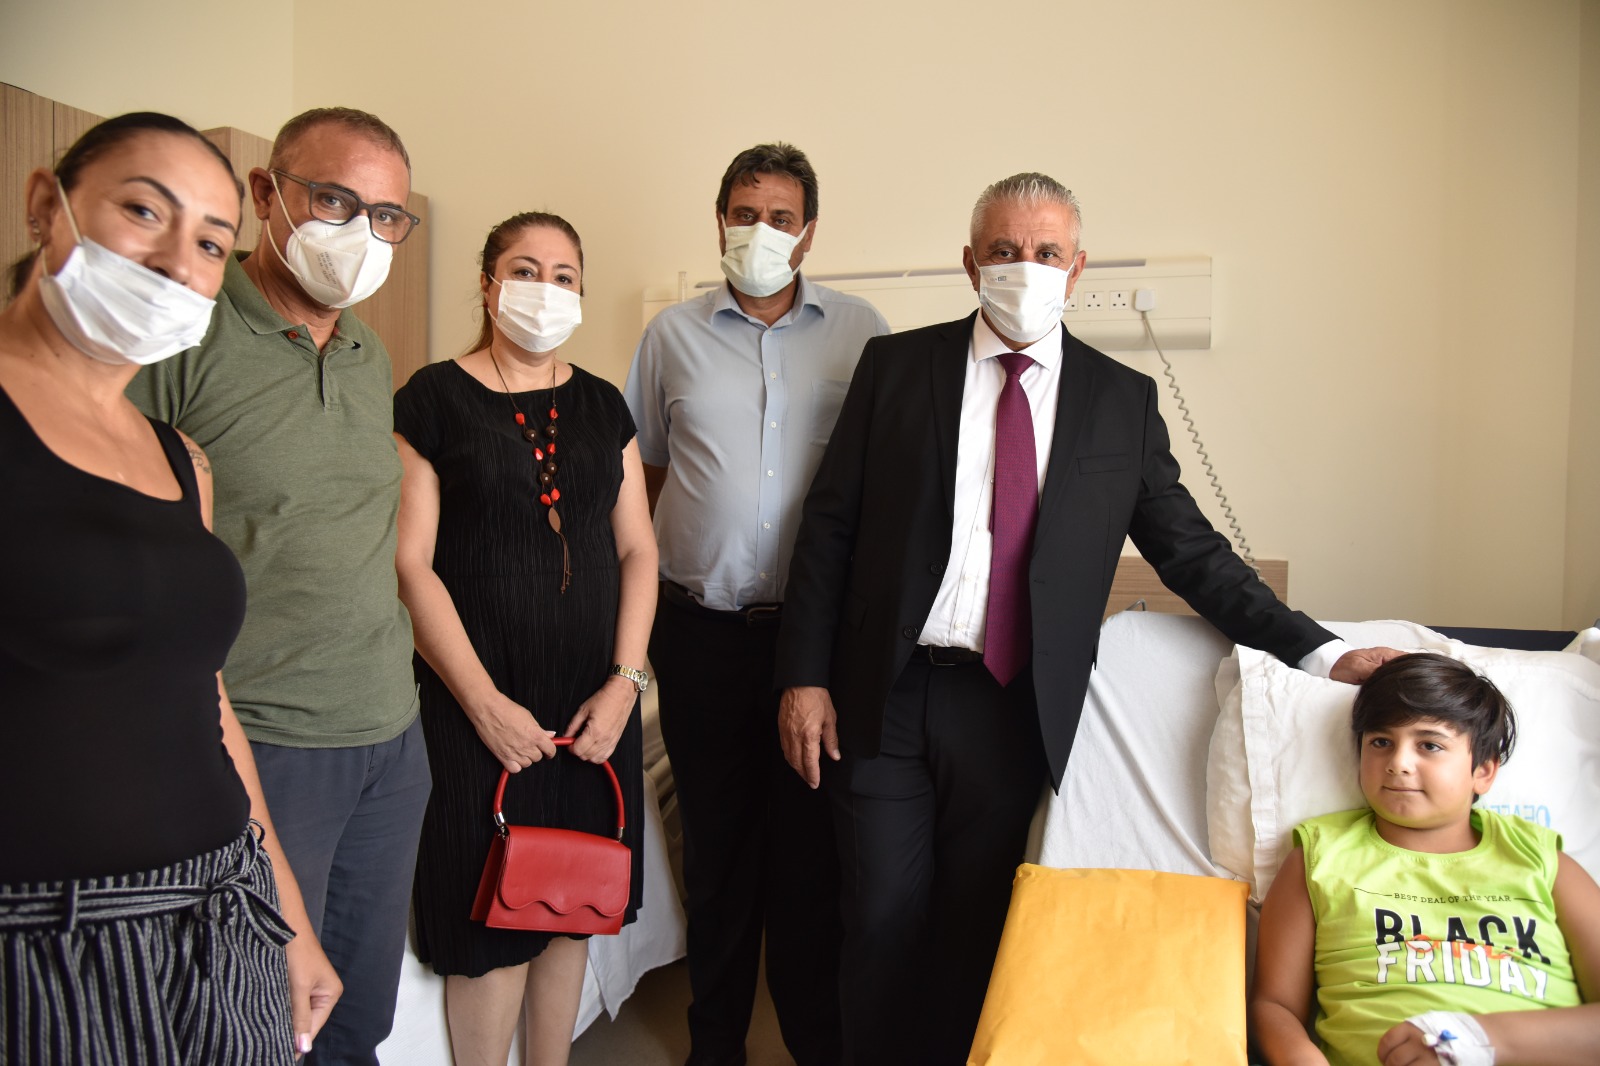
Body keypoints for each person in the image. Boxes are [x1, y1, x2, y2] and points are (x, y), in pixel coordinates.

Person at [773, 171, 1403, 1064]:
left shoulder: (1120, 401)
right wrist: (803, 675)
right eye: (1003, 251)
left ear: (1076, 269)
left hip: (1012, 703)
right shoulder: (897, 369)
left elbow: (1194, 555)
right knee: (877, 914)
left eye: (1046, 252)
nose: (1023, 267)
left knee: (972, 926)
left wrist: (1321, 651)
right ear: (970, 264)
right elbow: (829, 528)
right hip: (887, 690)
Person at [0, 112, 341, 1063]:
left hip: (221, 910)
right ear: (46, 205)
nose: (174, 261)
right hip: (45, 939)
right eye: (144, 211)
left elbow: (205, 696)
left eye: (210, 243)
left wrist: (285, 911)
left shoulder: (181, 460)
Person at [127, 107, 429, 1065]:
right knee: (265, 1018)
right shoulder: (184, 335)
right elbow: (123, 543)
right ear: (267, 194)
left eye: (386, 215)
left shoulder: (369, 353)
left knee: (359, 1018)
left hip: (389, 734)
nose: (362, 233)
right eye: (335, 200)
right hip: (264, 740)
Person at [623, 142, 889, 1066]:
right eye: (745, 213)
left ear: (809, 232)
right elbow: (644, 479)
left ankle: (815, 1043)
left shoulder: (863, 334)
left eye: (781, 217)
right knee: (718, 851)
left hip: (816, 644)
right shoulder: (670, 337)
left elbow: (881, 488)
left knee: (811, 859)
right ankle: (716, 1045)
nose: (761, 231)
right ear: (719, 221)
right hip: (700, 632)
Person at [394, 211, 656, 1066]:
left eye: (564, 276)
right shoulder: (432, 399)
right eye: (525, 270)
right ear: (487, 284)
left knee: (572, 905)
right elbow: (409, 564)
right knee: (490, 926)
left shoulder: (603, 404)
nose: (547, 290)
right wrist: (484, 706)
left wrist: (624, 686)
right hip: (476, 704)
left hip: (592, 707)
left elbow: (638, 550)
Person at [1251, 653, 1600, 1065]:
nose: (1398, 763)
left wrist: (1476, 1041)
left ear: (1483, 772)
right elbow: (1274, 1006)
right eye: (1380, 742)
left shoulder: (1542, 862)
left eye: (1429, 745)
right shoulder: (1319, 857)